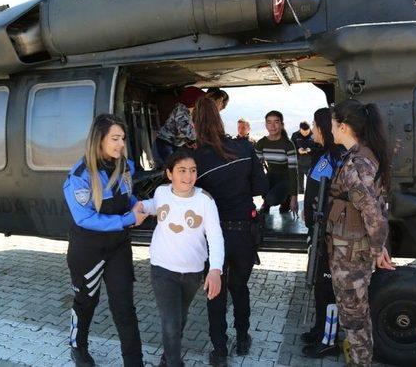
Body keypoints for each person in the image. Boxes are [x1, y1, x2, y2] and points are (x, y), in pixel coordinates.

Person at [63, 114, 148, 367]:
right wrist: (127, 220)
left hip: (118, 247)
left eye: (122, 138)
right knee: (86, 302)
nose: (121, 144)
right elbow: (84, 218)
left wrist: (139, 205)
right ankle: (78, 347)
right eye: (115, 138)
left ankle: (134, 362)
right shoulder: (79, 176)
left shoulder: (126, 166)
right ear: (99, 139)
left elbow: (126, 197)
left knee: (124, 307)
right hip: (88, 250)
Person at [192, 97, 268, 366]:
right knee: (240, 287)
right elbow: (261, 188)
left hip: (214, 238)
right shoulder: (244, 148)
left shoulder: (195, 160)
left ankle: (220, 349)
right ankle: (243, 337)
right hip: (244, 233)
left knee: (216, 292)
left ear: (195, 123)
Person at [137, 150, 225, 367]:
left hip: (193, 273)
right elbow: (153, 205)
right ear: (169, 174)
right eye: (182, 170)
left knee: (180, 318)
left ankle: (168, 356)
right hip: (162, 270)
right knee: (171, 322)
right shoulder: (161, 192)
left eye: (193, 170)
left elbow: (215, 236)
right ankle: (174, 362)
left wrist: (215, 270)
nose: (188, 176)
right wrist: (140, 207)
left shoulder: (205, 200)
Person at [328, 99, 395, 366]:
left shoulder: (357, 164)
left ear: (343, 126)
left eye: (333, 124)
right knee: (355, 316)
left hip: (351, 255)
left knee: (354, 319)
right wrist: (379, 246)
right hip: (352, 249)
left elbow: (372, 212)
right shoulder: (361, 155)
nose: (331, 129)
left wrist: (378, 249)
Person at [300, 108, 343, 358]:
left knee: (328, 288)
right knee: (320, 285)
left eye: (317, 125)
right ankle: (319, 330)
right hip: (318, 232)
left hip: (330, 235)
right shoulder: (324, 154)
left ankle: (329, 340)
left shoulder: (337, 158)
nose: (313, 129)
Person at [255, 110, 299, 215]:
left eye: (276, 122)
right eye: (269, 122)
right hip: (270, 177)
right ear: (265, 125)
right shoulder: (261, 143)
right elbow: (257, 168)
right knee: (261, 187)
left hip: (286, 179)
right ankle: (267, 201)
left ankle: (286, 198)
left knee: (272, 199)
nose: (272, 126)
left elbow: (293, 173)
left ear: (282, 124)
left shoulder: (288, 144)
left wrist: (294, 199)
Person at [155, 86, 205, 163]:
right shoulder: (182, 109)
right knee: (172, 165)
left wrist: (189, 141)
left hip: (175, 143)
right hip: (166, 142)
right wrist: (198, 138)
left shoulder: (190, 111)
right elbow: (184, 128)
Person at [291, 121, 315, 194]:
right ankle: (300, 194)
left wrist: (311, 150)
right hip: (298, 163)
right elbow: (291, 148)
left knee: (311, 184)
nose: (305, 134)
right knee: (299, 185)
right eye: (303, 132)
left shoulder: (314, 134)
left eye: (307, 132)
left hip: (311, 164)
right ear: (300, 129)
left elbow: (319, 147)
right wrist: (298, 151)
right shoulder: (295, 135)